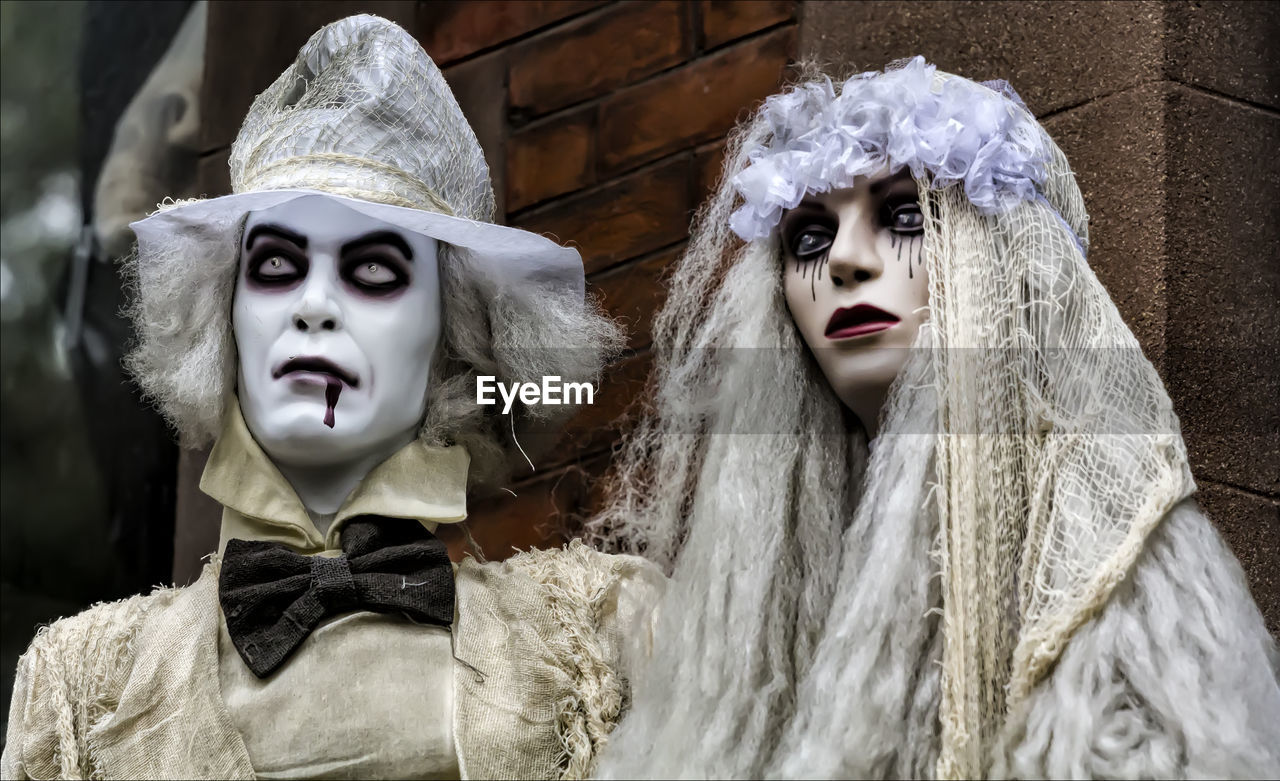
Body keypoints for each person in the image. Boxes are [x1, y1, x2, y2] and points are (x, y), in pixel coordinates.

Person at [3, 16, 661, 780]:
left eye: (374, 271)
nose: (314, 306)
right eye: (278, 265)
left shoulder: (602, 636)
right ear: (224, 317)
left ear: (455, 336)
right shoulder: (79, 692)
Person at [587, 57, 1280, 779]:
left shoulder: (1112, 566)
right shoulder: (746, 614)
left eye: (904, 217)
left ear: (1001, 263)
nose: (847, 262)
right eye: (811, 239)